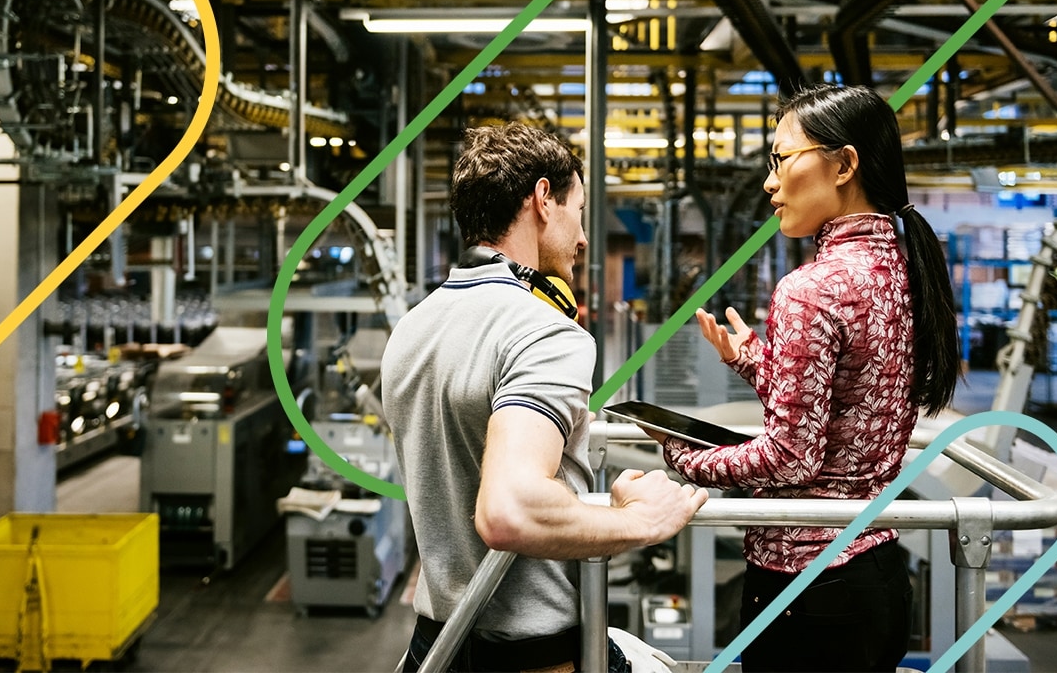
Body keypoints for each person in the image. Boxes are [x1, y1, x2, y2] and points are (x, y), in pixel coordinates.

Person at [649, 84, 960, 672]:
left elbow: (792, 457)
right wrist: (753, 361)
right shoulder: (901, 270)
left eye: (781, 159)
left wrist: (685, 460)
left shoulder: (811, 288)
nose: (769, 182)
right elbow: (846, 411)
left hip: (806, 591)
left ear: (844, 164)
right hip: (873, 577)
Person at [382, 122, 708, 673]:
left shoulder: (413, 328)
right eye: (578, 212)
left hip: (437, 645)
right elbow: (510, 509)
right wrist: (642, 522)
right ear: (542, 200)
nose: (583, 239)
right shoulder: (547, 333)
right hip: (534, 657)